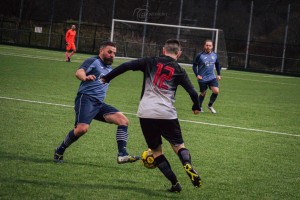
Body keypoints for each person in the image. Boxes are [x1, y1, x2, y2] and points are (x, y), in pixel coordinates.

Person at [102, 39, 202, 193]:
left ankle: (175, 183)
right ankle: (186, 164)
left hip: (146, 112)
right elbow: (194, 93)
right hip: (167, 113)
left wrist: (107, 78)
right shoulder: (179, 69)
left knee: (156, 152)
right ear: (179, 53)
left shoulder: (150, 61)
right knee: (179, 147)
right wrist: (196, 106)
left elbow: (125, 66)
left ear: (163, 50)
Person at [54, 41, 140, 164]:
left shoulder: (109, 67)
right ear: (101, 51)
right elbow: (79, 72)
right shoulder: (93, 61)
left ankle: (122, 154)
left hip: (99, 104)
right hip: (86, 99)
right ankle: (60, 150)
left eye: (114, 53)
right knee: (81, 130)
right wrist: (85, 77)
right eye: (109, 52)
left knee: (123, 121)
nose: (112, 55)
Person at [192, 39, 221, 114]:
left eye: (210, 45)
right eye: (207, 45)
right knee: (203, 93)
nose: (208, 47)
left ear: (212, 46)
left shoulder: (214, 55)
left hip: (212, 77)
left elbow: (217, 64)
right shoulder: (200, 55)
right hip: (202, 78)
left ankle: (210, 105)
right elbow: (194, 66)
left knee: (216, 91)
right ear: (204, 46)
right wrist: (197, 75)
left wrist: (218, 74)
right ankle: (199, 107)